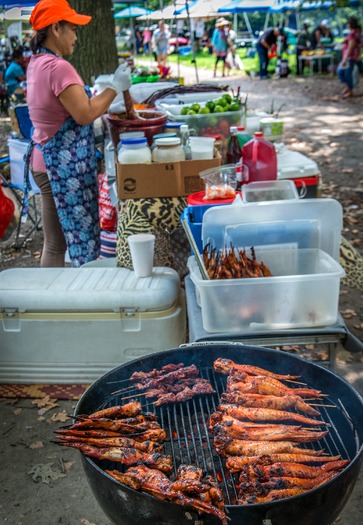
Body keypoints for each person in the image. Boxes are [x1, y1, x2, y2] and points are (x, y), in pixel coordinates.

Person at [26, 0, 131, 268]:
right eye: (72, 28)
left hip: (43, 160)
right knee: (81, 242)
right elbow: (83, 114)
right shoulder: (58, 67)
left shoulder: (37, 63)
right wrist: (115, 88)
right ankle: (77, 298)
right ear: (55, 28)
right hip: (62, 167)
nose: (76, 36)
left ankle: (50, 303)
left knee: (55, 243)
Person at [337, 16, 362, 99]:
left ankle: (349, 89)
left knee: (342, 72)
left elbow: (351, 47)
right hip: (355, 55)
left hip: (349, 56)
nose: (346, 25)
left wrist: (345, 58)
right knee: (346, 72)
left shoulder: (352, 34)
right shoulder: (357, 32)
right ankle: (348, 88)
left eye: (348, 23)